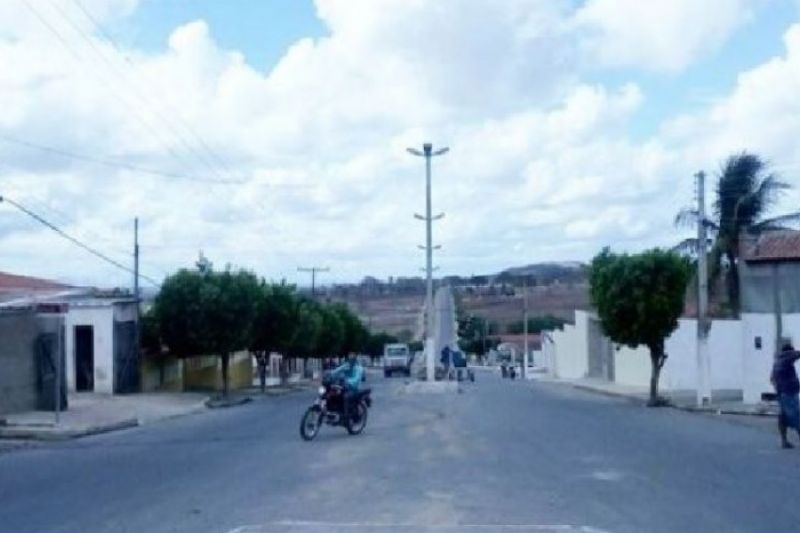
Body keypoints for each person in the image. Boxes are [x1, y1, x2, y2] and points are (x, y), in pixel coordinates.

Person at [770, 341, 800, 449]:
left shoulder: (777, 363)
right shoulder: (786, 359)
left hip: (781, 394)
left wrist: (778, 388)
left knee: (783, 417)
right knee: (796, 416)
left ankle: (784, 441)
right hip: (789, 393)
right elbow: (796, 354)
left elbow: (772, 379)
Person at [330, 352, 364, 422]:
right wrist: (329, 375)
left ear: (355, 360)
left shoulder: (359, 368)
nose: (350, 361)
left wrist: (347, 382)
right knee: (332, 393)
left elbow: (356, 379)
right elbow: (336, 371)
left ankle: (346, 416)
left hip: (353, 389)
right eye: (349, 359)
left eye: (352, 359)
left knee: (346, 397)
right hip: (344, 386)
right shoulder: (346, 365)